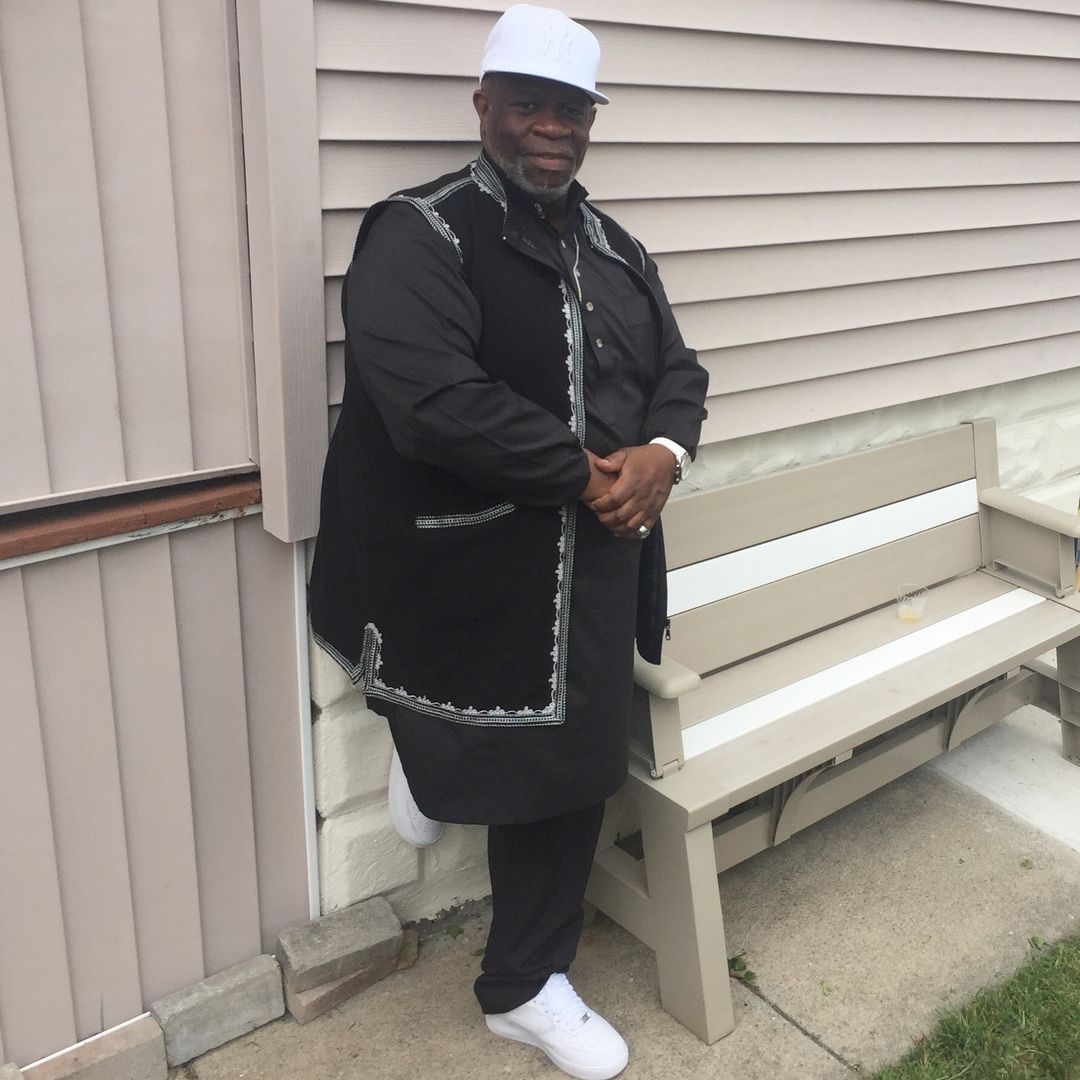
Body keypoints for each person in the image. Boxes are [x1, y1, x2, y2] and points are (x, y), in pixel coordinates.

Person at [308, 6, 708, 1077]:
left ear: (591, 120)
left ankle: (523, 986)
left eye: (571, 108)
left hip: (596, 569)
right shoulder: (420, 231)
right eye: (528, 102)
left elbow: (680, 370)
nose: (551, 125)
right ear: (483, 104)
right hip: (460, 565)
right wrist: (592, 475)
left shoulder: (618, 247)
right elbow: (433, 402)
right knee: (446, 699)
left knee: (572, 771)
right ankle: (434, 763)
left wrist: (663, 453)